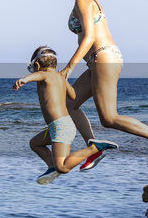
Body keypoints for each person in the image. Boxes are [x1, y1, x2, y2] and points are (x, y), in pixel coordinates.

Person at [57, 0, 148, 167]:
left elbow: (89, 38)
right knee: (69, 104)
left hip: (103, 58)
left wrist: (69, 68)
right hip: (99, 60)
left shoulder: (83, 0)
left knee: (109, 118)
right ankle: (94, 148)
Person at [13, 46, 118, 184]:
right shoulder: (61, 78)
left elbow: (38, 75)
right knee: (35, 143)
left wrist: (24, 80)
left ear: (37, 65)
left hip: (61, 127)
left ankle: (94, 148)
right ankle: (52, 167)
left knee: (62, 167)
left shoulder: (44, 75)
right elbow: (73, 95)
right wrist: (63, 84)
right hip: (59, 126)